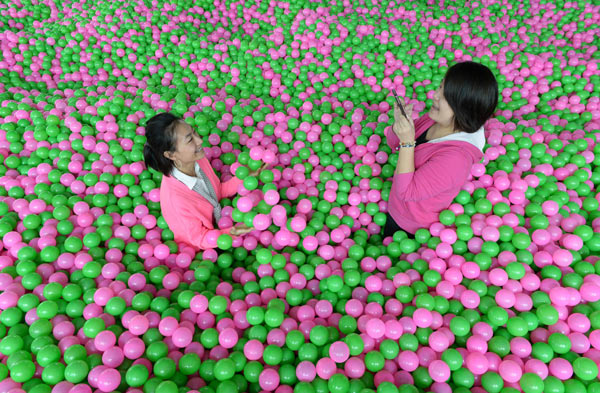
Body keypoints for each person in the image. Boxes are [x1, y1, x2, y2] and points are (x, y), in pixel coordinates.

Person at [383, 61, 499, 238]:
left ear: (463, 108)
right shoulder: (435, 119)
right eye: (440, 87)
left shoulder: (456, 158)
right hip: (395, 205)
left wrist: (407, 142)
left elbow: (406, 192)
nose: (435, 95)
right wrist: (399, 124)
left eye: (445, 96)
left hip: (409, 224)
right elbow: (394, 144)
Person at [143, 112, 263, 250]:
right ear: (171, 154)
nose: (199, 141)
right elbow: (198, 239)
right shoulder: (176, 199)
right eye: (190, 140)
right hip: (197, 250)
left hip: (223, 223)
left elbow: (218, 191)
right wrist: (231, 233)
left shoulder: (198, 159)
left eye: (194, 133)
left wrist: (246, 178)